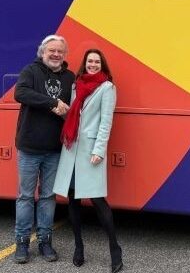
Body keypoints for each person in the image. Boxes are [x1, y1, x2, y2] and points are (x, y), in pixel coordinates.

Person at [53, 49, 123, 273]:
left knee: (98, 201)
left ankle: (115, 249)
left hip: (90, 151)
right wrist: (61, 111)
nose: (93, 65)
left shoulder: (107, 88)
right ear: (85, 63)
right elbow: (74, 115)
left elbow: (106, 121)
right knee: (73, 200)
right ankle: (78, 247)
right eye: (90, 61)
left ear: (102, 65)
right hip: (72, 148)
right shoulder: (77, 85)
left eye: (96, 62)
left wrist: (99, 150)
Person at [13, 34, 75, 264]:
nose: (56, 54)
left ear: (64, 54)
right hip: (29, 147)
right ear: (43, 52)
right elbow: (20, 93)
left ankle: (45, 241)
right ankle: (21, 243)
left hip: (55, 149)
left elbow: (74, 107)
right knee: (26, 197)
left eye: (60, 51)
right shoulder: (31, 71)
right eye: (52, 50)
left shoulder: (70, 77)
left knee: (48, 197)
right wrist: (53, 103)